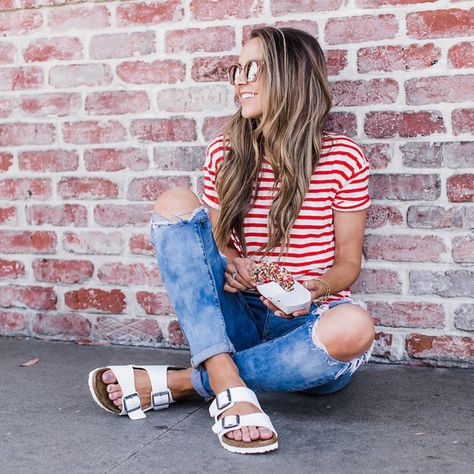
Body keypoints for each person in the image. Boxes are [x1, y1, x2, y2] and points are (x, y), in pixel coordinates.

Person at [88, 26, 375, 455]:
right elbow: (218, 248)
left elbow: (348, 264)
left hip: (303, 324)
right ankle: (225, 379)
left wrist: (315, 287)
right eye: (237, 69)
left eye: (253, 68)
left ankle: (191, 381)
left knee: (356, 326)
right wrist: (234, 264)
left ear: (290, 75)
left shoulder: (343, 159)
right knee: (174, 202)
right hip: (235, 315)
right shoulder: (226, 152)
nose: (240, 79)